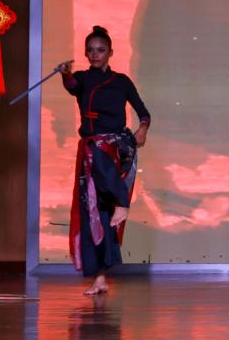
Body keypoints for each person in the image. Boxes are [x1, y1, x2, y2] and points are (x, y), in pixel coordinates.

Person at [59, 25, 150, 295]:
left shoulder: (121, 81)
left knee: (102, 165)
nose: (94, 54)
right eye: (90, 50)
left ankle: (122, 202)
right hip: (90, 148)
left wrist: (142, 129)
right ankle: (100, 277)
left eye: (100, 50)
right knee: (96, 215)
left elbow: (143, 112)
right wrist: (65, 73)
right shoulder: (82, 79)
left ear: (110, 52)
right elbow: (72, 86)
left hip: (114, 147)